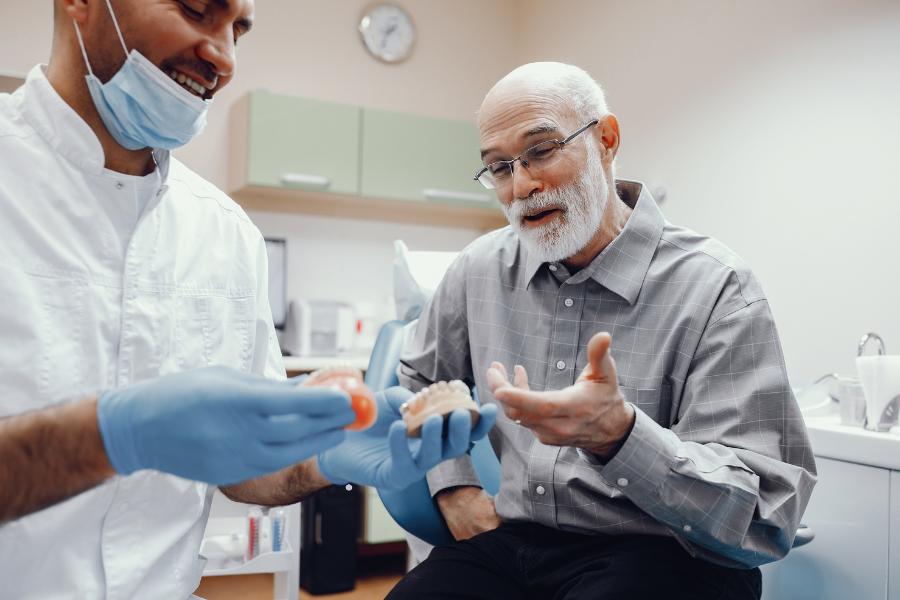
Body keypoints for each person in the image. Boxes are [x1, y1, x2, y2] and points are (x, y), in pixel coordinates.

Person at [0, 0, 496, 598]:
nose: (224, 56)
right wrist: (111, 436)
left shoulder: (225, 232)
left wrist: (320, 456)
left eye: (237, 29)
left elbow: (245, 472)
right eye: (196, 10)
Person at [389, 62, 817, 600]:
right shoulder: (480, 269)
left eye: (542, 151)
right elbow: (416, 377)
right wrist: (454, 486)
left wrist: (622, 435)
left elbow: (766, 513)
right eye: (499, 167)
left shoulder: (717, 288)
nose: (522, 185)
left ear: (606, 140)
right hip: (517, 542)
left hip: (667, 551)